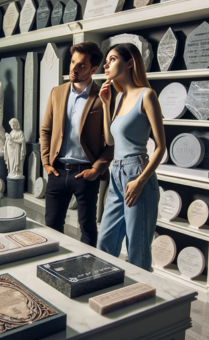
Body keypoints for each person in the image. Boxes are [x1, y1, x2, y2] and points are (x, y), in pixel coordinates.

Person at [97, 43, 166, 271]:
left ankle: (139, 300)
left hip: (137, 172)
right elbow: (109, 141)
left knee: (137, 249)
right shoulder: (118, 98)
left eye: (113, 59)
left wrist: (140, 181)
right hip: (116, 173)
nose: (106, 64)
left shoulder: (147, 95)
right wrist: (106, 105)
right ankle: (105, 292)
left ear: (129, 62)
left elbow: (160, 146)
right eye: (106, 60)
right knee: (105, 242)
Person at [40, 42, 114, 246]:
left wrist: (96, 170)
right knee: (51, 226)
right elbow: (45, 130)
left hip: (85, 174)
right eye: (73, 62)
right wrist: (46, 162)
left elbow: (112, 142)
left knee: (88, 229)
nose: (73, 68)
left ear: (93, 69)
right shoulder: (57, 92)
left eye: (81, 65)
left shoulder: (103, 98)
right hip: (57, 171)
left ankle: (86, 272)